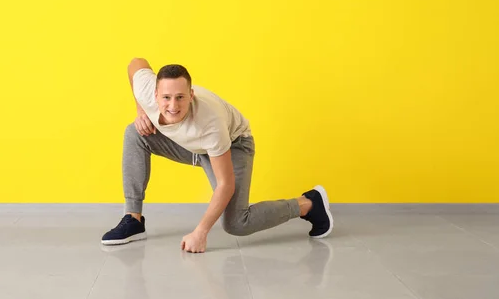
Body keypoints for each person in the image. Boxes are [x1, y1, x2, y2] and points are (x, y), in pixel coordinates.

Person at [101, 58, 334, 253]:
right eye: (166, 98)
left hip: (233, 145)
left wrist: (200, 232)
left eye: (180, 97)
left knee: (236, 224)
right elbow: (136, 63)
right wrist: (140, 110)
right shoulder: (146, 91)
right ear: (155, 94)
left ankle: (309, 204)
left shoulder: (210, 123)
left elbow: (226, 184)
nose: (173, 105)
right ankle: (133, 218)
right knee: (135, 132)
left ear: (191, 95)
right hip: (193, 146)